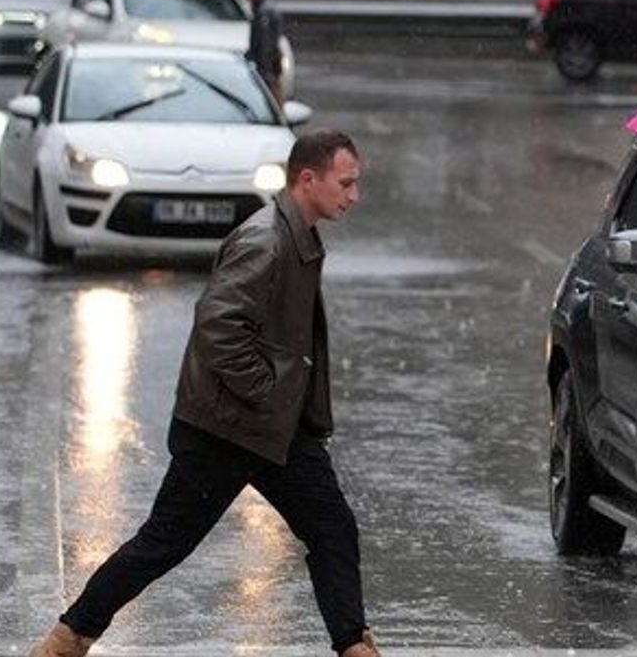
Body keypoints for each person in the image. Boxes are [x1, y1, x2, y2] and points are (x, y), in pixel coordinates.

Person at [28, 131, 378, 657]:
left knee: (333, 530)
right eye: (346, 183)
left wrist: (280, 402)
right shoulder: (266, 240)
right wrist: (268, 389)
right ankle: (67, 638)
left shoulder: (297, 234)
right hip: (226, 429)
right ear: (309, 179)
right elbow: (218, 327)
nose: (353, 195)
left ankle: (355, 646)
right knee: (163, 543)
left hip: (276, 431)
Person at [241, 0, 285, 106]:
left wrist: (266, 67)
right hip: (267, 60)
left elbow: (266, 41)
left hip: (267, 62)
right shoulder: (262, 8)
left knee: (272, 93)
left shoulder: (264, 11)